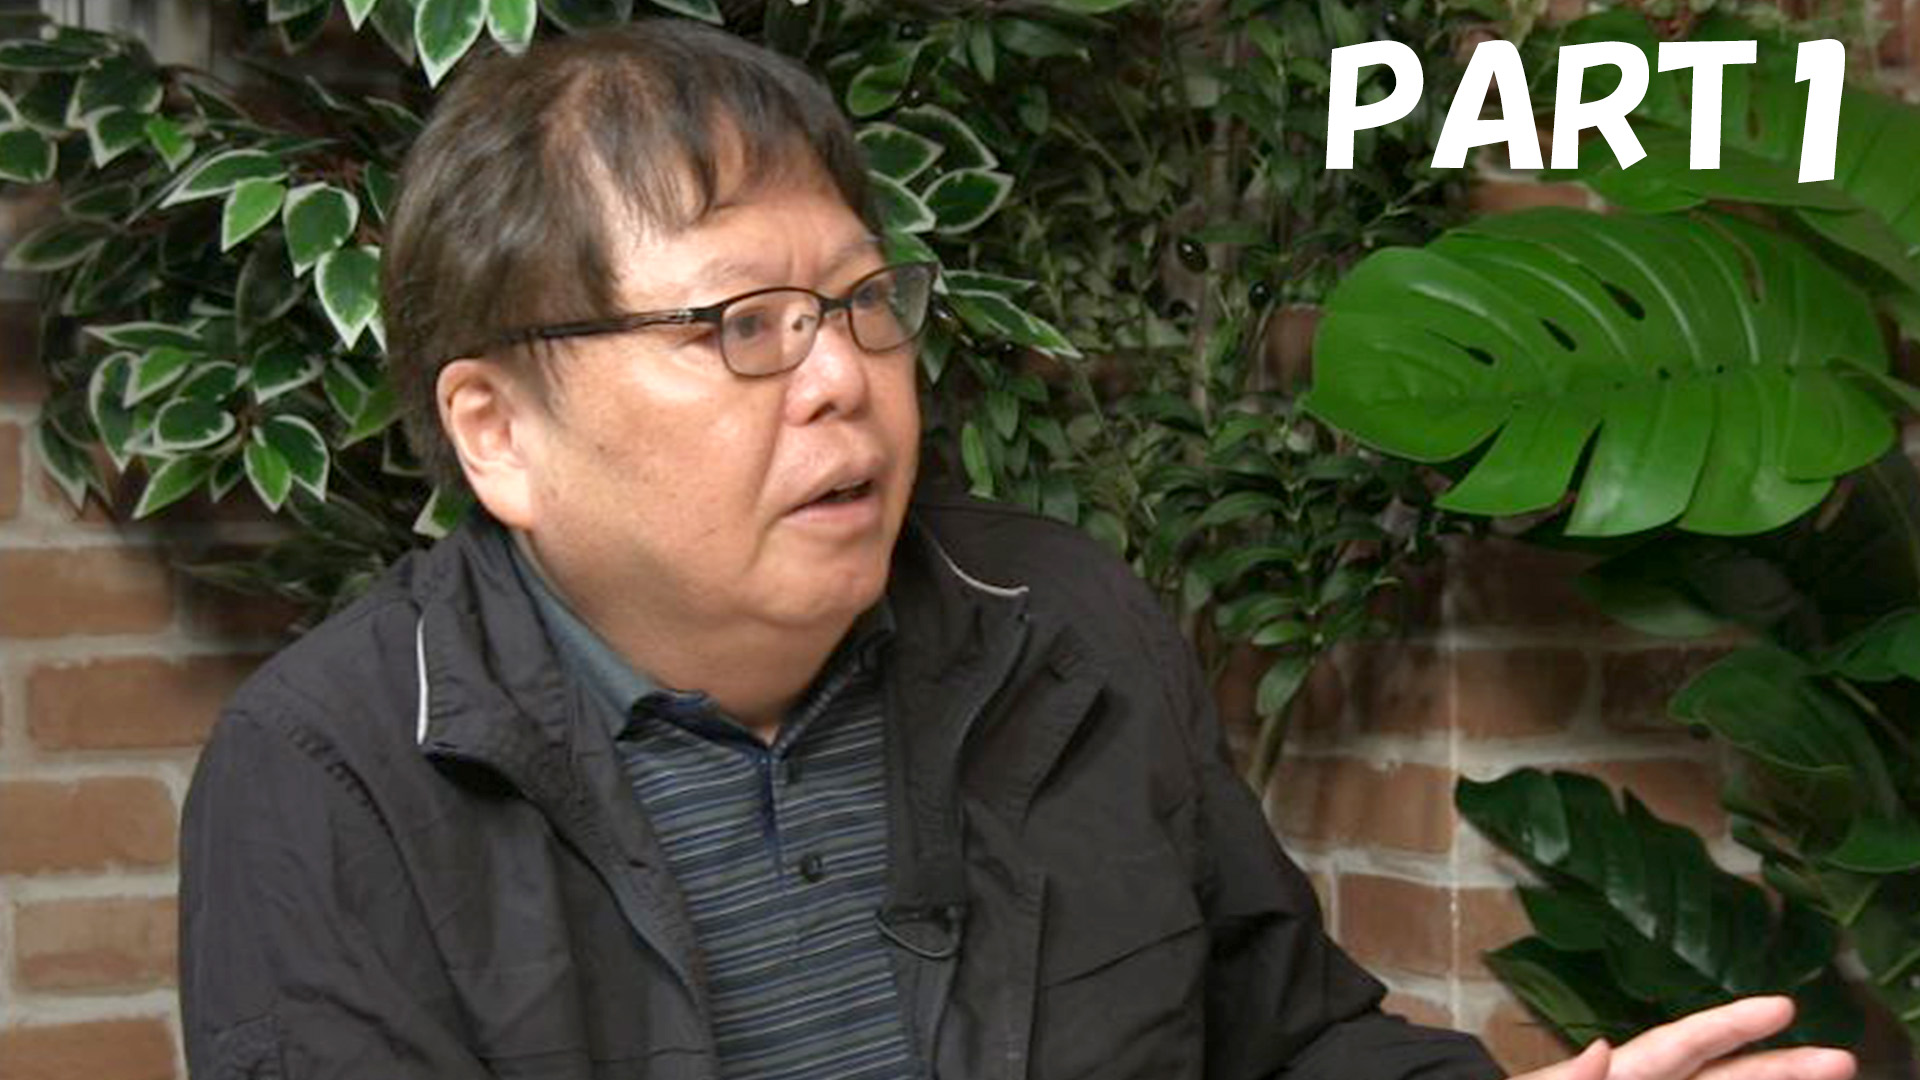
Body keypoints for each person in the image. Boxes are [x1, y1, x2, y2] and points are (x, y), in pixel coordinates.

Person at [177, 20, 1859, 1080]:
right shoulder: (336, 773)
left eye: (860, 301)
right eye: (740, 325)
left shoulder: (1061, 623)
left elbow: (1285, 1041)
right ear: (497, 431)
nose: (841, 377)